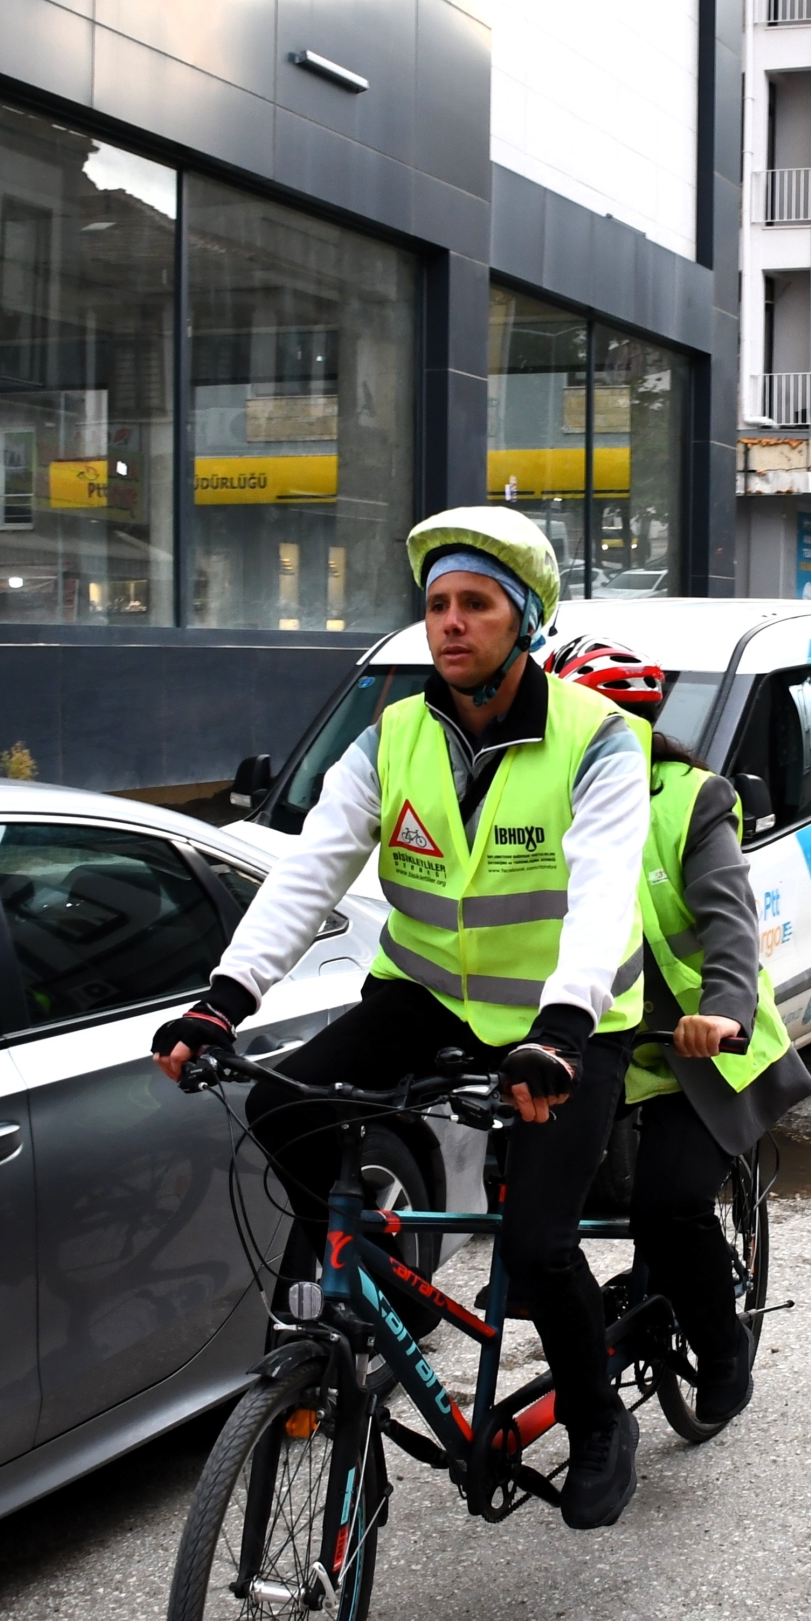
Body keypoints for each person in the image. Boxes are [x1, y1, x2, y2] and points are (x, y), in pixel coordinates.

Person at [151, 507, 652, 1530]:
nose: (451, 624)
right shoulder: (393, 738)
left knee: (540, 1235)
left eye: (475, 604)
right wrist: (223, 1000)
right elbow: (308, 873)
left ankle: (600, 1420)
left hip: (566, 1019)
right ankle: (381, 1277)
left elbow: (603, 893)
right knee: (284, 1111)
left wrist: (560, 1028)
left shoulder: (595, 741)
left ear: (526, 622)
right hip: (424, 993)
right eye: (437, 606)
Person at [544, 635, 811, 1428]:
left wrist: (726, 1008)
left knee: (667, 1202)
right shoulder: (542, 806)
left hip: (694, 1052)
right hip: (596, 1050)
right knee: (525, 1205)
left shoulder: (692, 799)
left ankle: (722, 1344)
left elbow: (730, 923)